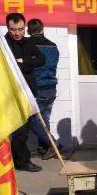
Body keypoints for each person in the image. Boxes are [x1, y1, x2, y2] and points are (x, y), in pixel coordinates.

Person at [5, 13, 45, 172]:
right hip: (10, 93)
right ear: (7, 27)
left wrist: (23, 61)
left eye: (21, 29)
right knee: (17, 129)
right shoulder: (2, 43)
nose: (17, 33)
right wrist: (27, 64)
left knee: (23, 129)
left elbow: (41, 60)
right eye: (13, 29)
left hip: (28, 91)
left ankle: (18, 159)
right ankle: (21, 160)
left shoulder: (29, 42)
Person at [26, 19, 62, 160]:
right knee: (44, 118)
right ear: (42, 30)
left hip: (38, 87)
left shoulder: (28, 45)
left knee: (31, 118)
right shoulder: (53, 46)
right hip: (51, 87)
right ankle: (44, 149)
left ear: (28, 31)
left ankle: (52, 144)